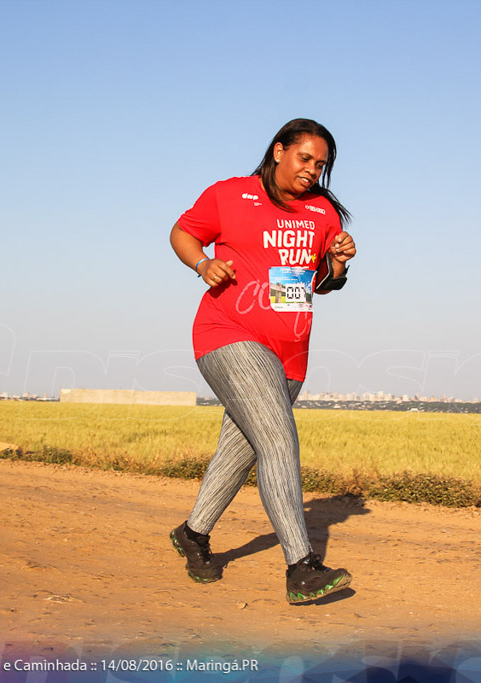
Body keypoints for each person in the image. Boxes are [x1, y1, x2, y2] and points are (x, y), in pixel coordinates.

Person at [168, 118, 357, 604]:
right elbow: (182, 232)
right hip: (228, 333)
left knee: (240, 453)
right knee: (278, 438)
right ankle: (301, 566)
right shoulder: (230, 194)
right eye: (305, 158)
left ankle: (192, 533)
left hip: (290, 354)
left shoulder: (322, 213)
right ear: (278, 151)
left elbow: (319, 283)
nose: (312, 170)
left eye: (321, 164)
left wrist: (338, 262)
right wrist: (202, 263)